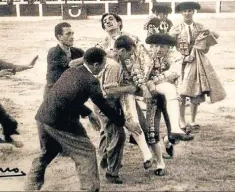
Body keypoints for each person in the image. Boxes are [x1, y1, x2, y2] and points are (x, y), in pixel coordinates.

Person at [24, 47, 126, 192]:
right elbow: (103, 105)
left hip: (43, 117)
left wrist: (89, 113)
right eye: (103, 65)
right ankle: (89, 189)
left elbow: (66, 96)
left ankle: (30, 186)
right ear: (96, 65)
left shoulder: (71, 71)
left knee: (49, 151)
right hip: (59, 122)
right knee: (86, 151)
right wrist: (123, 122)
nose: (103, 68)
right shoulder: (91, 81)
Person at [97, 36, 154, 183]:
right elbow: (108, 91)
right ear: (122, 50)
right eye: (129, 53)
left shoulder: (120, 60)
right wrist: (129, 88)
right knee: (117, 135)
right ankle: (112, 172)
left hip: (114, 101)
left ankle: (105, 161)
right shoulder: (113, 65)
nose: (131, 56)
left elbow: (135, 73)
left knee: (109, 133)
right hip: (107, 103)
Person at [169, 2, 226, 132]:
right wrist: (183, 57)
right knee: (181, 92)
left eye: (189, 11)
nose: (187, 13)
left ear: (193, 12)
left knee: (196, 91)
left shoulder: (200, 27)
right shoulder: (175, 29)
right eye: (184, 11)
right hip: (181, 63)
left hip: (196, 62)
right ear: (181, 13)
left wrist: (203, 43)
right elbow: (171, 48)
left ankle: (193, 120)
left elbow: (210, 41)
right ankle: (182, 120)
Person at [44, 22, 84, 99]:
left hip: (71, 92)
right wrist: (90, 55)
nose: (72, 37)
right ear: (59, 37)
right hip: (54, 94)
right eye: (68, 34)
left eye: (72, 33)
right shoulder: (53, 52)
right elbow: (71, 64)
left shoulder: (78, 51)